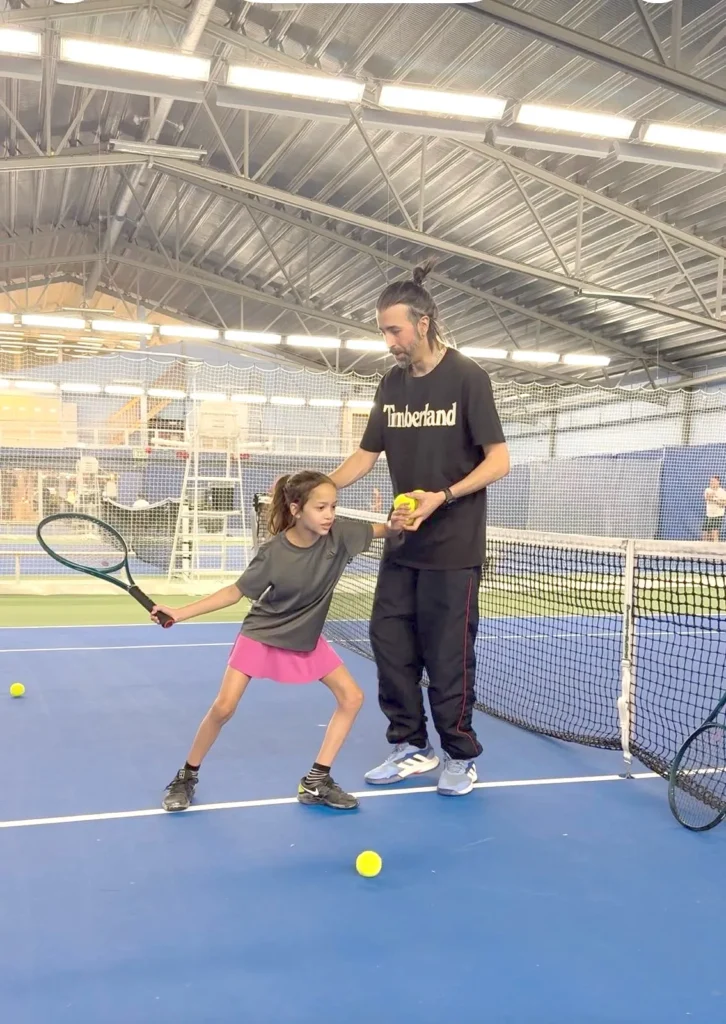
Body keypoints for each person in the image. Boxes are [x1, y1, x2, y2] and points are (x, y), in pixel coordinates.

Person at [330, 259, 510, 797]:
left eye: (394, 330)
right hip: (402, 546)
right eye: (384, 331)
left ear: (423, 322)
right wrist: (318, 488)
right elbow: (366, 455)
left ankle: (460, 755)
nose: (388, 341)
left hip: (453, 549)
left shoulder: (467, 378)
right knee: (389, 643)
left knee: (447, 658)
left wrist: (444, 496)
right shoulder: (391, 384)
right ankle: (410, 745)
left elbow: (499, 460)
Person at [155, 470, 402, 813]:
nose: (329, 514)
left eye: (333, 506)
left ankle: (316, 781)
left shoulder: (342, 534)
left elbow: (385, 529)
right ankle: (187, 776)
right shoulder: (273, 552)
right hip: (263, 633)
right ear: (297, 509)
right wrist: (180, 613)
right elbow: (234, 592)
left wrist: (401, 520)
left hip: (306, 635)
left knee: (352, 697)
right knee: (224, 707)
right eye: (321, 507)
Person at [702, 475, 726, 541]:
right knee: (705, 533)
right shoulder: (708, 489)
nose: (711, 482)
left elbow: (724, 504)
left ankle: (716, 548)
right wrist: (714, 495)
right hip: (709, 515)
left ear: (718, 482)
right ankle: (704, 548)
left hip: (718, 515)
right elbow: (707, 498)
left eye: (713, 481)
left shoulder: (722, 492)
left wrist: (715, 500)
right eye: (711, 481)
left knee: (714, 533)